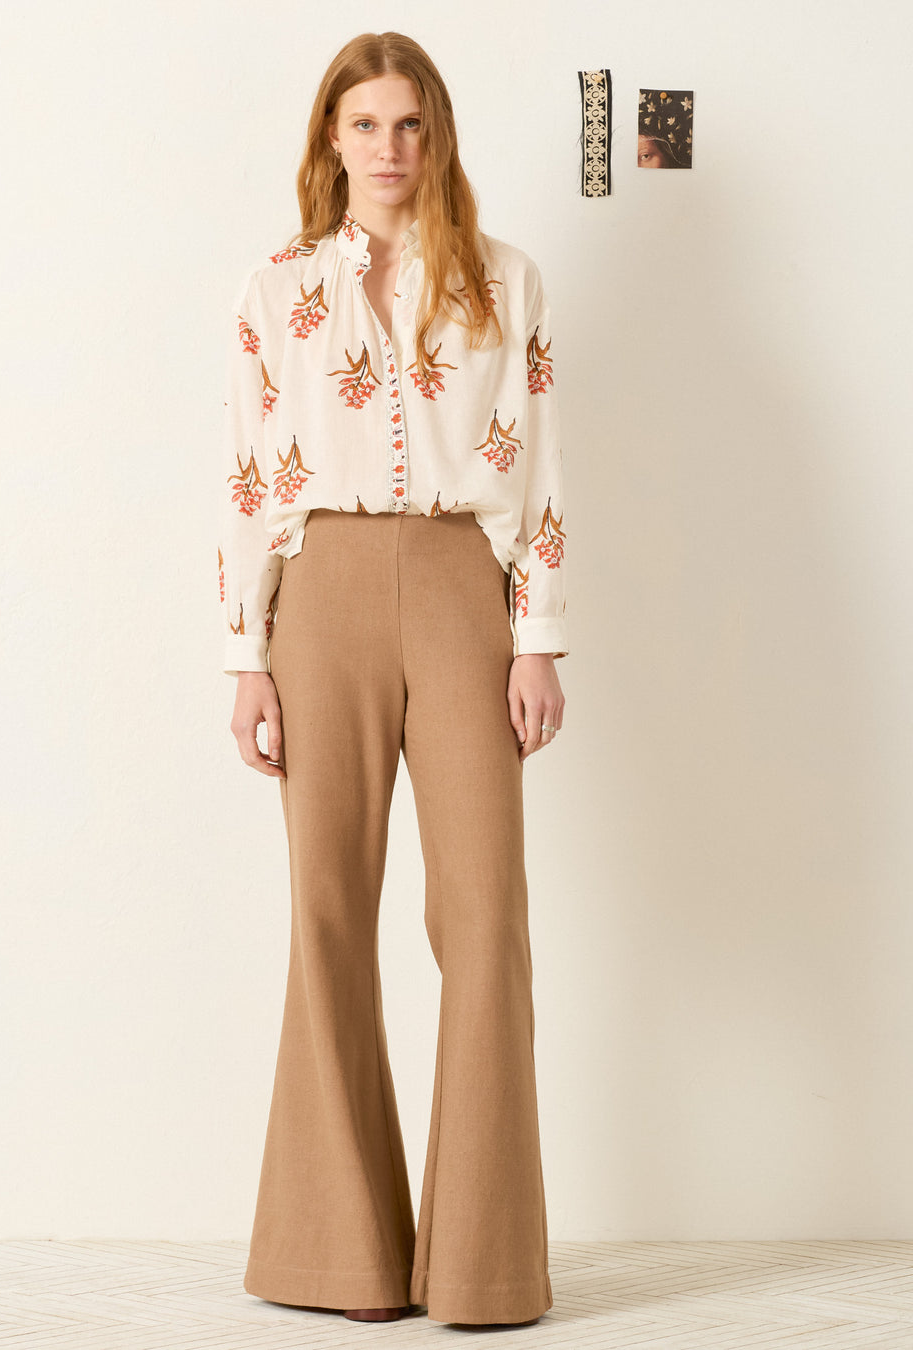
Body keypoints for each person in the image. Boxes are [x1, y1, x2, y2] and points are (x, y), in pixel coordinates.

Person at [218, 31, 568, 1328]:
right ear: (332, 138)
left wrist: (538, 636)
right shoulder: (276, 289)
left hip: (466, 587)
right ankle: (339, 1256)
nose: (388, 148)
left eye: (410, 124)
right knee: (325, 913)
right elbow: (248, 479)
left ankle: (483, 1267)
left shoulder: (504, 279)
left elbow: (540, 465)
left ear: (438, 135)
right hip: (321, 595)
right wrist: (247, 657)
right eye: (364, 125)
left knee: (485, 921)